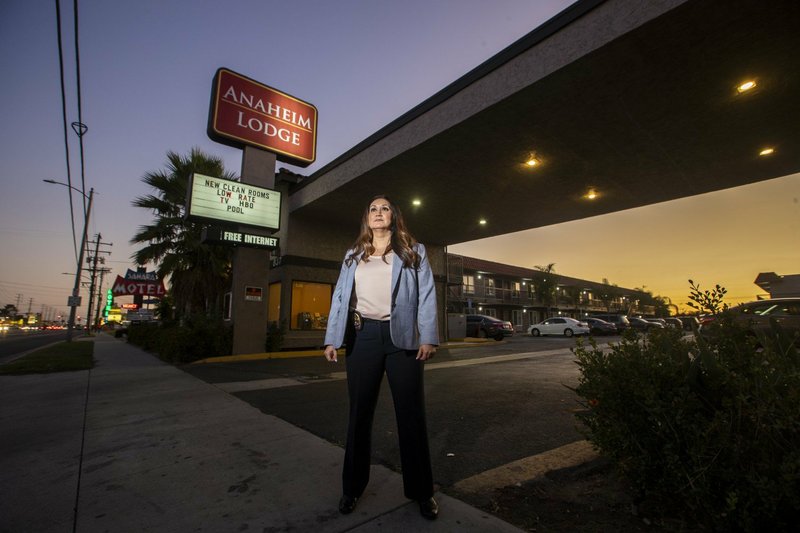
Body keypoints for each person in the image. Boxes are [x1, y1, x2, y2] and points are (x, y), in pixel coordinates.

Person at [323, 195, 440, 520]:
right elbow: (340, 297)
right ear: (367, 218)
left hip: (402, 339)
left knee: (411, 417)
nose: (378, 212)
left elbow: (427, 292)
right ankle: (352, 489)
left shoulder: (413, 252)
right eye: (372, 208)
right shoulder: (353, 255)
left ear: (394, 216)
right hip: (362, 338)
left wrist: (428, 335)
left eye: (384, 208)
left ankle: (422, 492)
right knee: (359, 415)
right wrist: (333, 337)